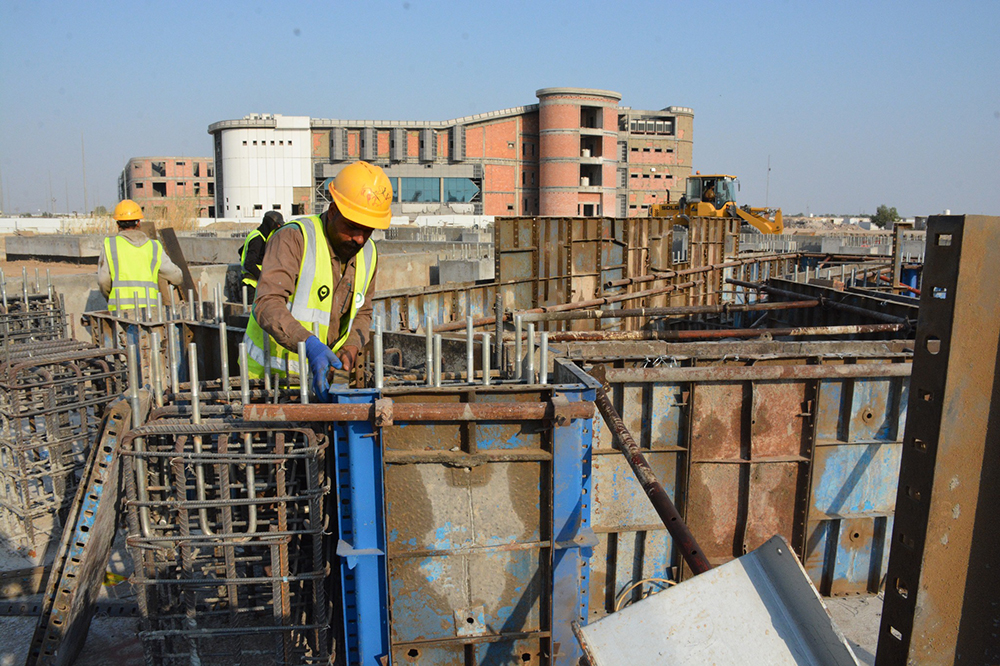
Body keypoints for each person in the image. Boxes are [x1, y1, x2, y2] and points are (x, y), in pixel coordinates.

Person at [242, 161, 391, 400]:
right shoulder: (294, 238)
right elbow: (267, 304)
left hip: (320, 385)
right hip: (267, 386)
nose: (360, 239)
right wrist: (310, 346)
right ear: (333, 211)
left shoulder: (369, 253)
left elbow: (363, 311)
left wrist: (350, 349)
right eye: (352, 227)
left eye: (368, 230)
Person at [97, 199, 183, 313]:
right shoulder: (153, 246)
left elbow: (103, 281)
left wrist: (111, 297)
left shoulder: (110, 245)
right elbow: (176, 277)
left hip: (119, 311)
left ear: (117, 224)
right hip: (150, 311)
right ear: (138, 223)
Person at [238, 210, 284, 303]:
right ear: (271, 224)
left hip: (254, 285)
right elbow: (249, 264)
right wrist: (264, 278)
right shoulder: (258, 240)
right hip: (253, 286)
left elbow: (241, 251)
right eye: (278, 226)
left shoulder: (257, 235)